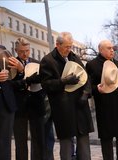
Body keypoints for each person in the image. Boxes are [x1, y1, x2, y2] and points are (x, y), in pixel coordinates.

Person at [39, 32, 94, 160]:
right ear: (57, 45)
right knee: (66, 143)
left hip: (80, 104)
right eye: (66, 47)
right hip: (62, 107)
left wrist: (86, 94)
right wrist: (63, 81)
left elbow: (86, 78)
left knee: (84, 141)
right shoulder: (47, 60)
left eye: (70, 46)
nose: (69, 50)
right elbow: (46, 84)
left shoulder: (74, 57)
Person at [86, 40, 118, 160]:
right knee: (107, 141)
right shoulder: (92, 65)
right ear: (101, 50)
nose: (112, 50)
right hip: (105, 108)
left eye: (112, 48)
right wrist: (96, 89)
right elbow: (87, 87)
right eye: (108, 48)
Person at [10, 37, 46, 160]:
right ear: (16, 50)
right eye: (21, 51)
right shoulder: (11, 64)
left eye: (27, 50)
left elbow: (41, 81)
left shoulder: (37, 63)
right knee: (20, 142)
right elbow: (10, 85)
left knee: (38, 140)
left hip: (36, 105)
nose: (24, 54)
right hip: (19, 107)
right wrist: (23, 76)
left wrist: (23, 72)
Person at [0, 45, 17, 160]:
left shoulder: (3, 49)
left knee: (5, 144)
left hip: (6, 103)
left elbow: (13, 76)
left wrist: (19, 69)